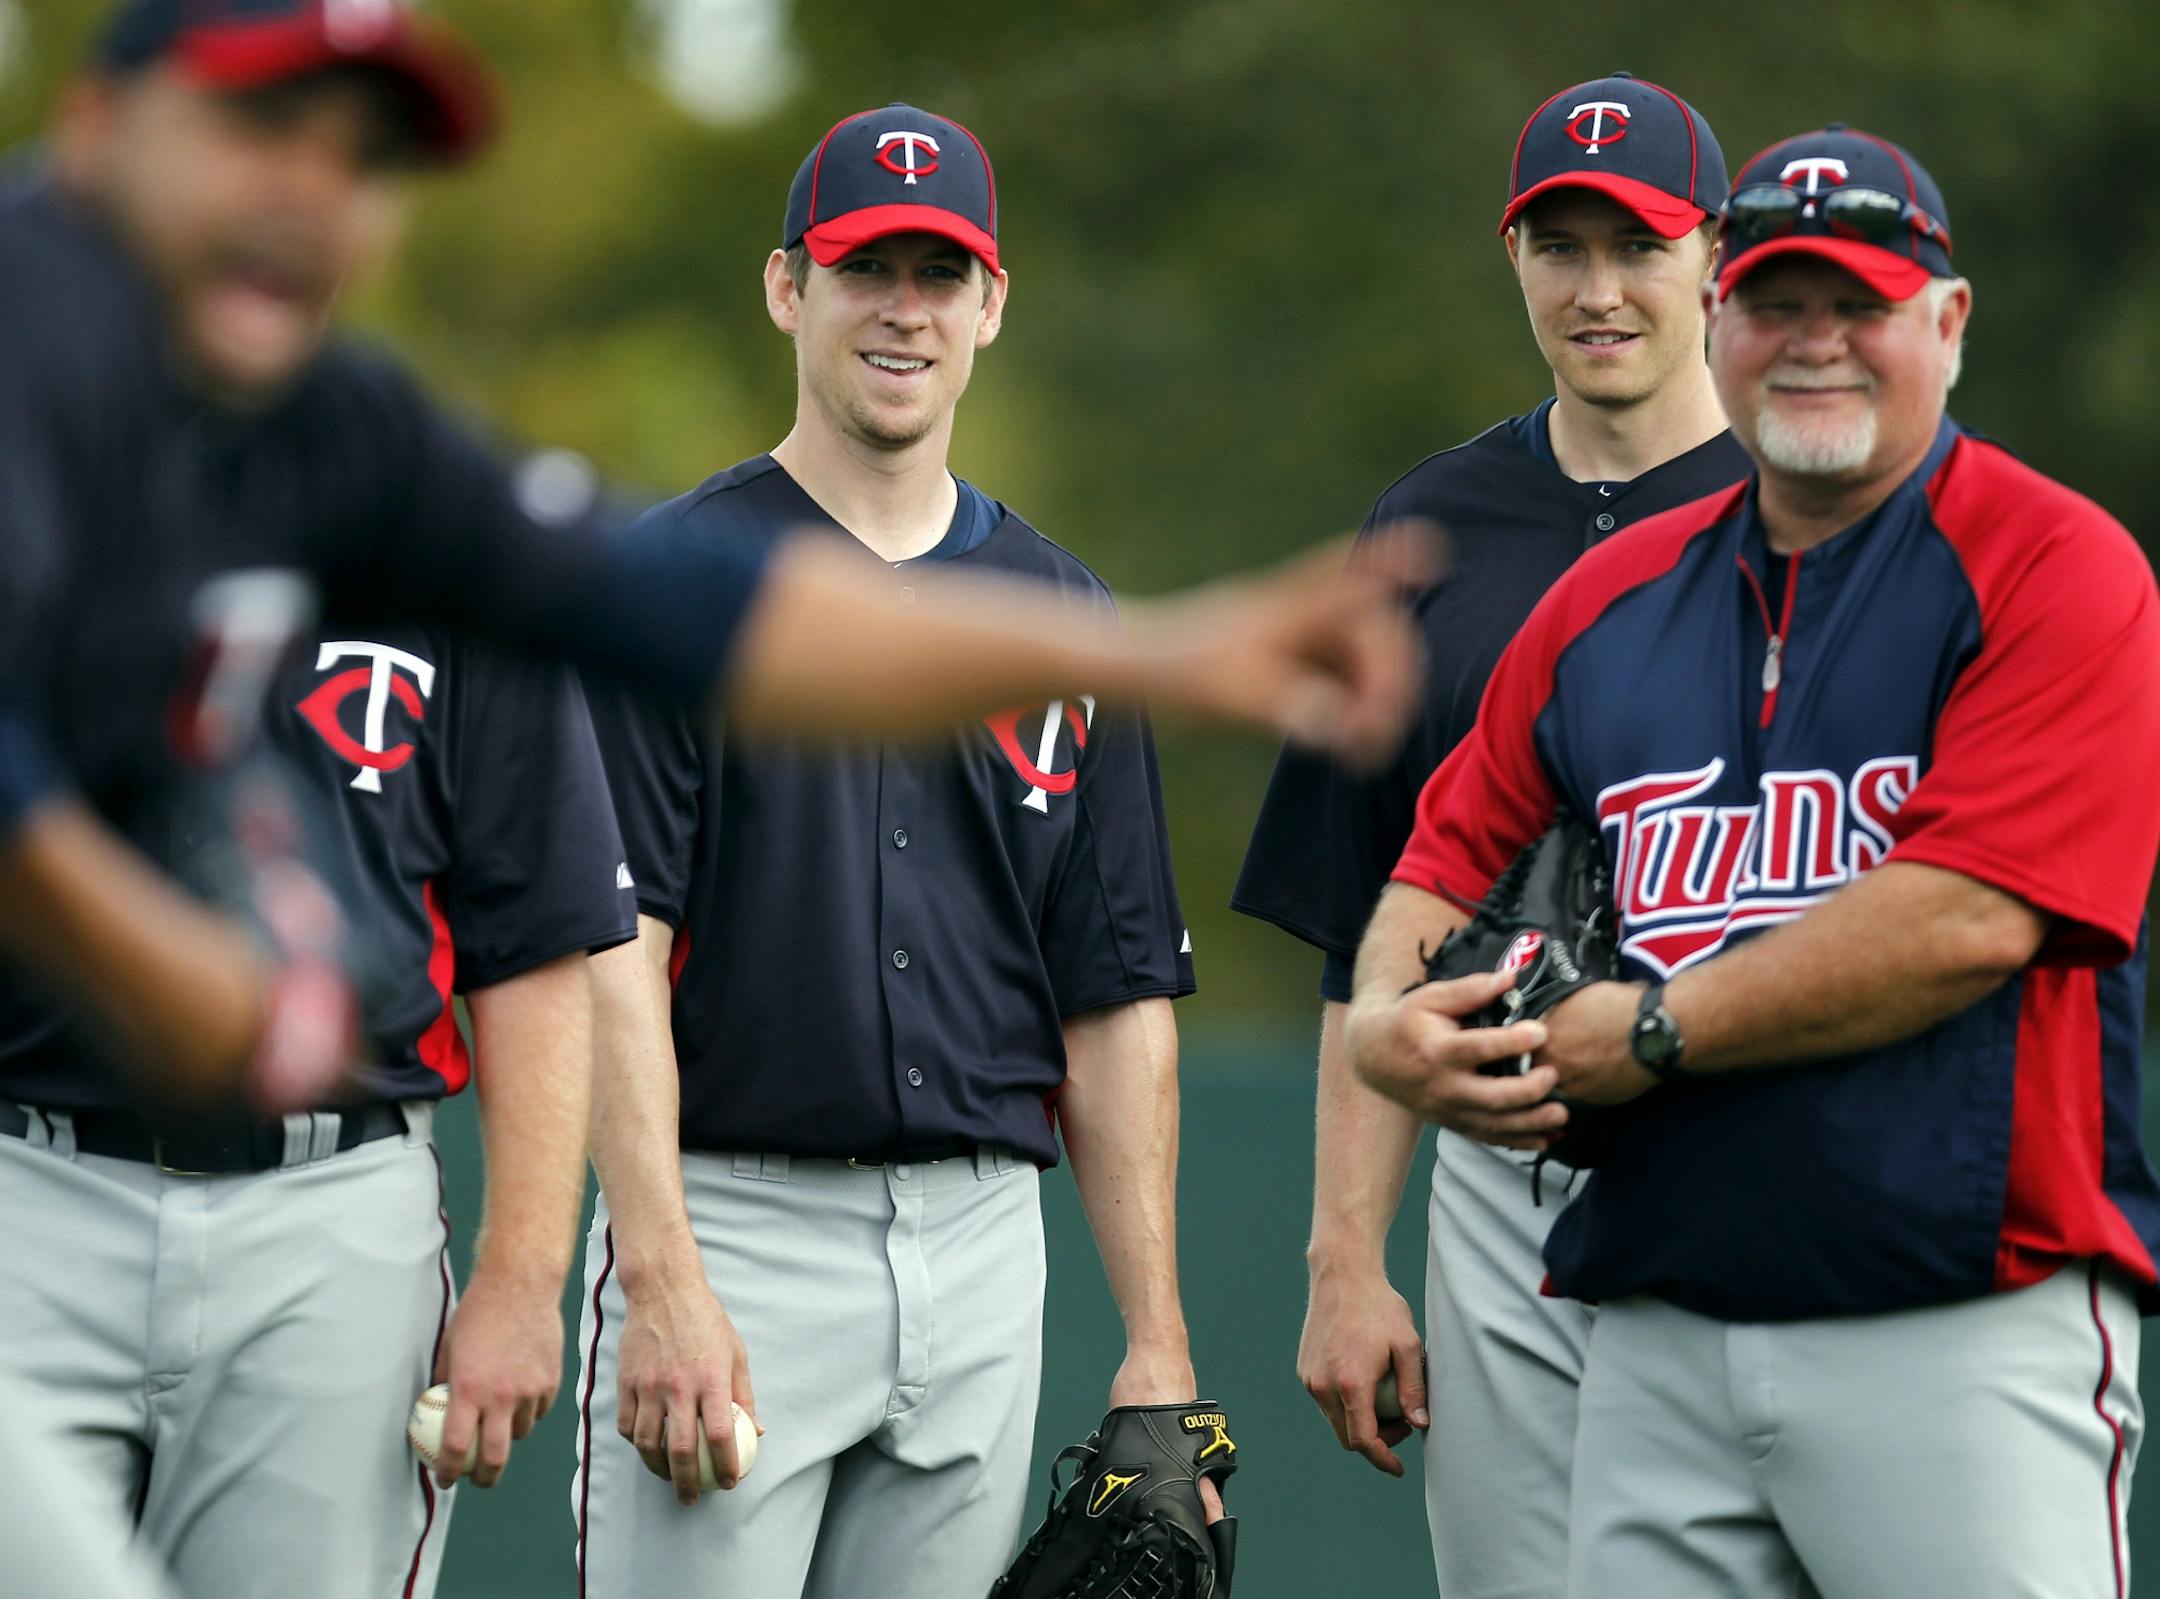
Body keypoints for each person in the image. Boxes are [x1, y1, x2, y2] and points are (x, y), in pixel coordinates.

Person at [0, 3, 1425, 1592]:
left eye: (360, 150)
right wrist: (141, 950)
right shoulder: (30, 345)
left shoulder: (331, 422)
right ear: (96, 129)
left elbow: (701, 611)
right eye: (262, 126)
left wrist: (1161, 651)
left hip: (444, 1214)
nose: (313, 189)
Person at [1348, 124, 2160, 1599]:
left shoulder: (2056, 564)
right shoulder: (1609, 598)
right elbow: (1439, 863)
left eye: (1861, 306)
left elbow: (1969, 918)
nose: (1816, 346)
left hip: (1956, 1321)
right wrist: (1402, 1035)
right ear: (1720, 317)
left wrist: (1654, 1031)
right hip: (1656, 1330)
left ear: (1948, 322)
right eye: (1780, 306)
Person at [571, 102, 1221, 1598]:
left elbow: (1114, 1000)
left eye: (941, 273)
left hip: (986, 1241)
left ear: (990, 305)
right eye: (868, 268)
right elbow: (616, 959)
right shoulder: (673, 591)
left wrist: (1159, 1343)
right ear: (789, 287)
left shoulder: (1062, 614)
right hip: (734, 1219)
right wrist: (660, 1273)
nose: (904, 310)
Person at [1230, 72, 1744, 1595]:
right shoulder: (1433, 531)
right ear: (1512, 256)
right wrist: (1344, 1259)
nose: (1599, 290)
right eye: (1559, 245)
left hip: (1740, 1145)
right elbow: (1356, 940)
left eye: (1639, 246)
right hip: (1496, 1177)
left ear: (1714, 255)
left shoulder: (1803, 512)